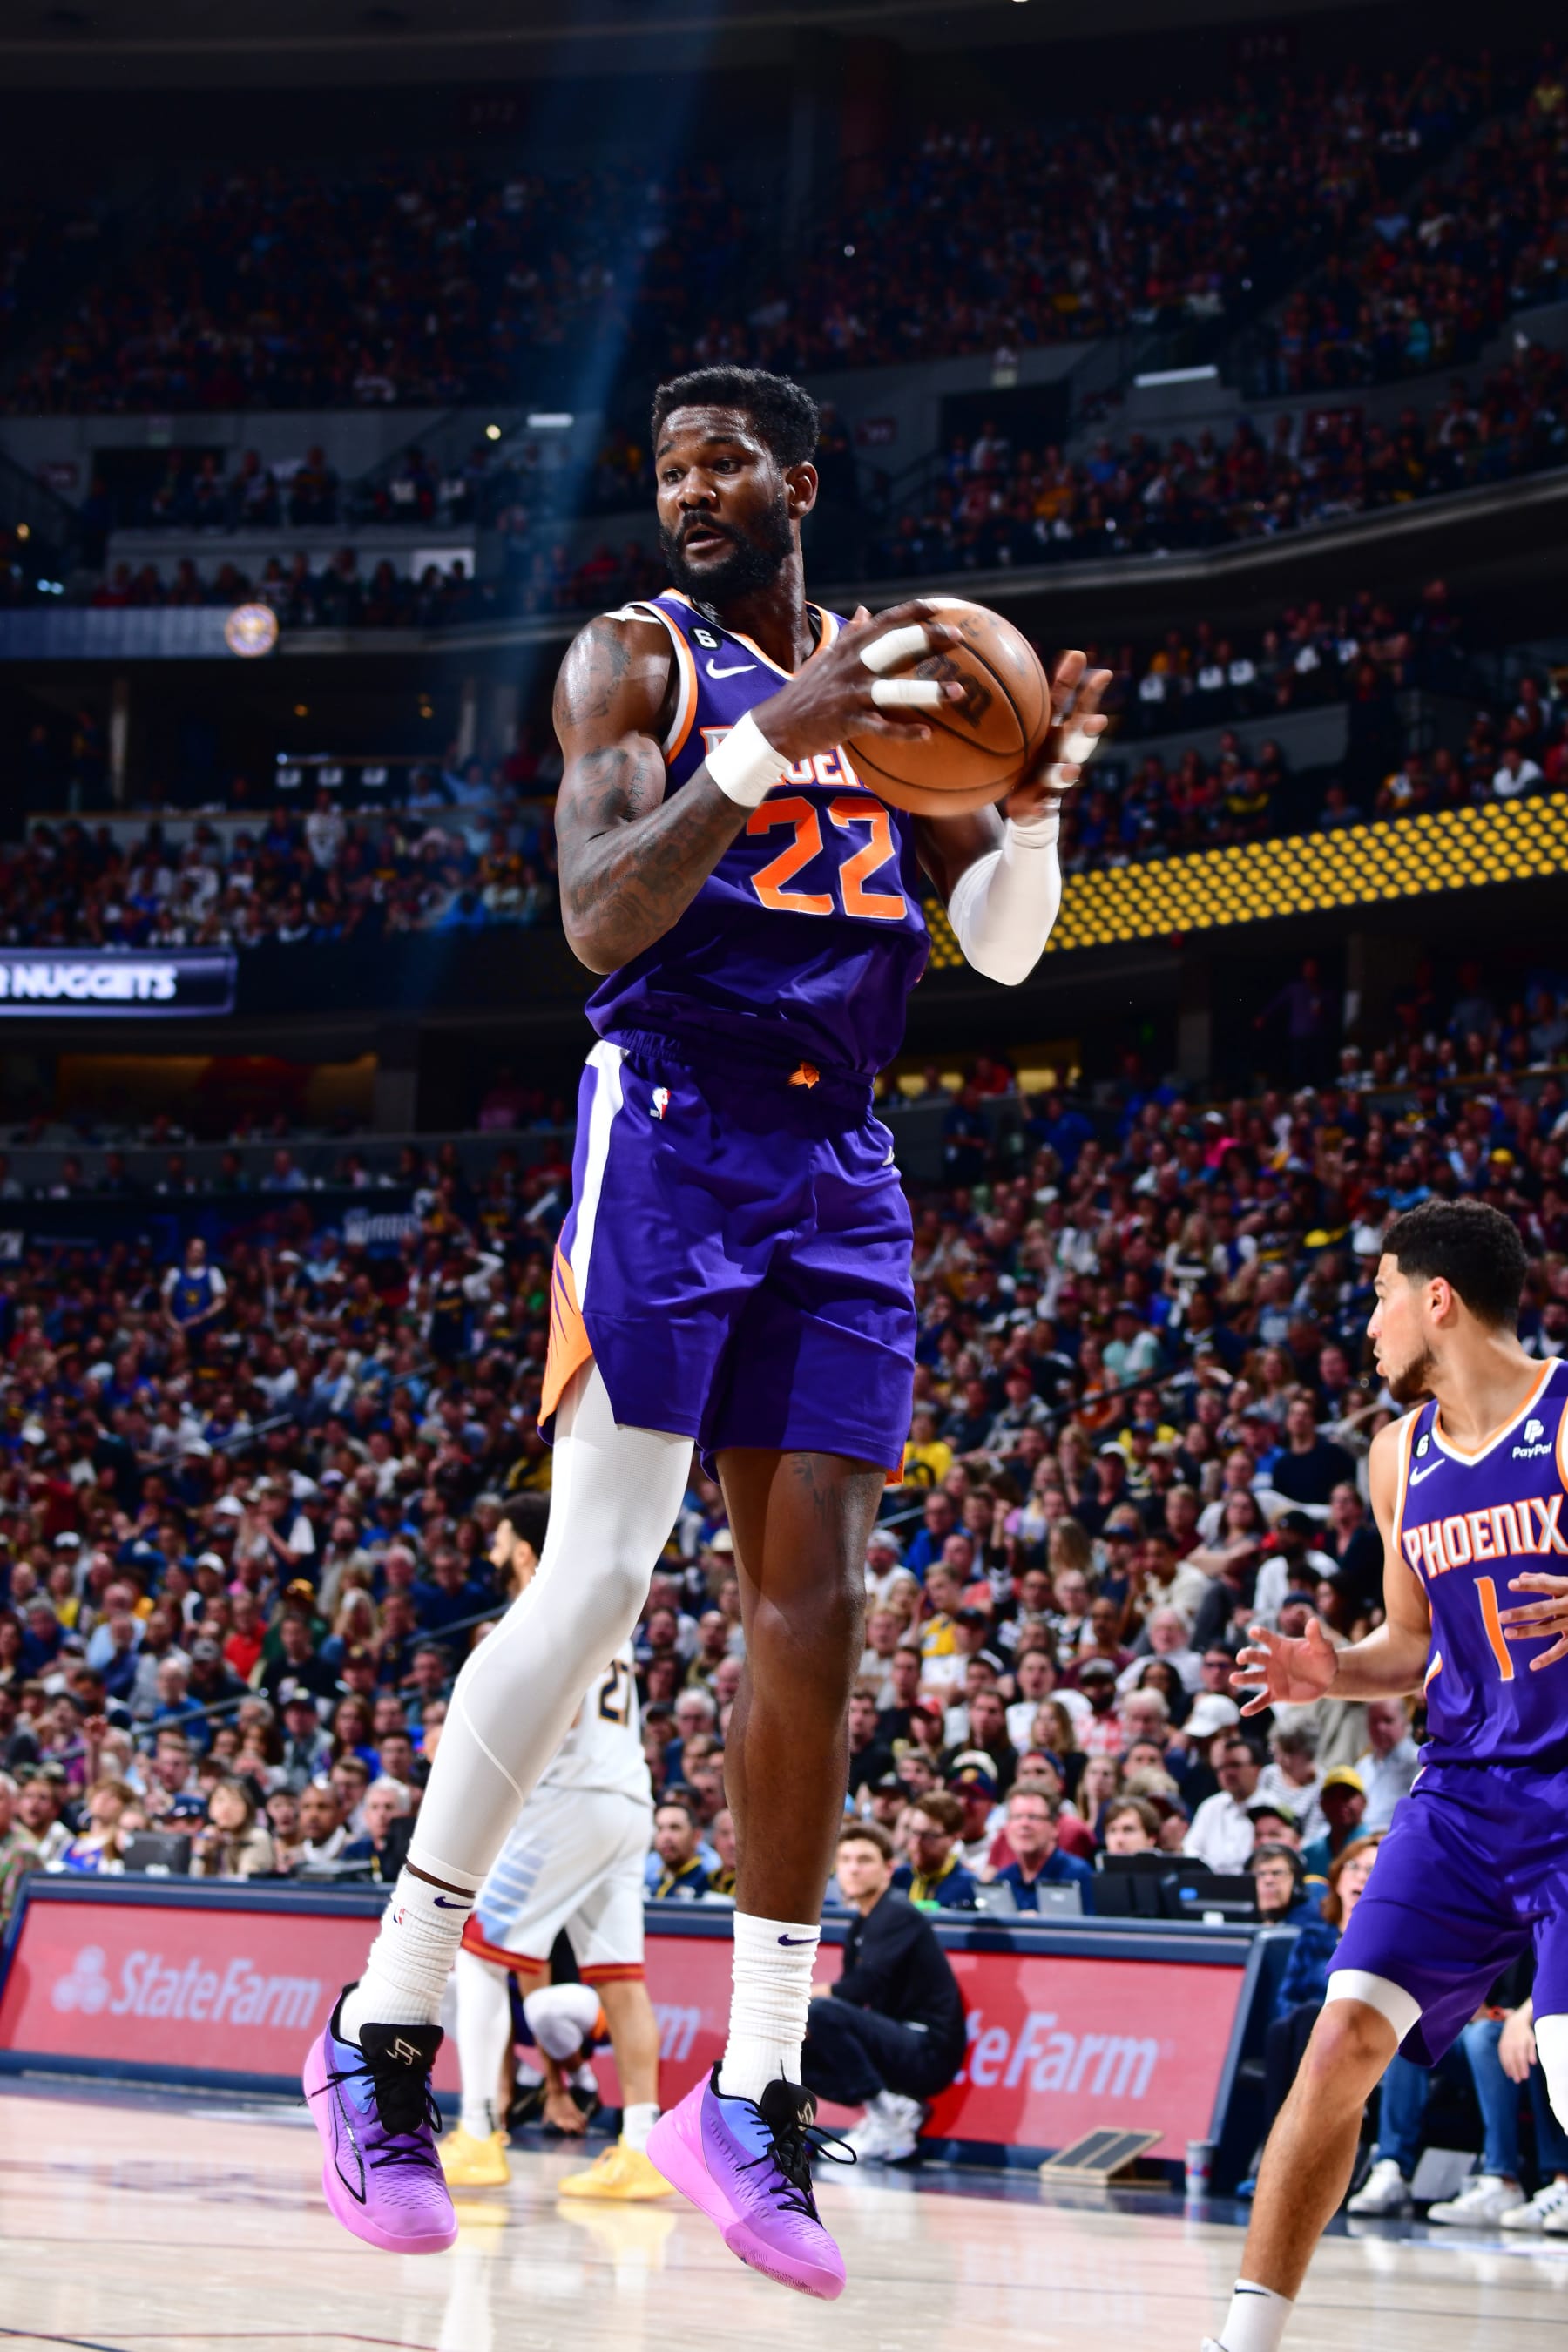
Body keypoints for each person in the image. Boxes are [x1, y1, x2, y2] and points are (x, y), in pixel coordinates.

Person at [303, 361, 1110, 2298]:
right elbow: (595, 919)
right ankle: (380, 2027)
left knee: (815, 1606)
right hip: (667, 1119)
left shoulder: (906, 690)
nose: (692, 490)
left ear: (801, 477)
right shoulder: (632, 667)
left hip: (840, 1158)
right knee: (594, 1584)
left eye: (726, 460)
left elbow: (998, 950)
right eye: (668, 466)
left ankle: (745, 2095)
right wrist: (772, 746)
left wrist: (1034, 803)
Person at [1200, 1199, 1568, 2352]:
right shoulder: (1396, 1456)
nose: (1368, 1322)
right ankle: (1243, 2341)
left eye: (1377, 1293)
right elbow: (1411, 1647)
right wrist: (1336, 1672)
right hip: (1463, 1797)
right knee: (1342, 2036)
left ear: (1438, 1299)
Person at [438, 1503, 667, 2204]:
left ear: (528, 1552)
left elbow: (556, 1708)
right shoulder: (600, 1602)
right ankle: (641, 2147)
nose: (493, 1554)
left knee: (476, 1957)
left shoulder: (545, 1602)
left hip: (570, 1799)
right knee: (621, 1979)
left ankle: (479, 2132)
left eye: (502, 1542)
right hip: (627, 1800)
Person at [802, 1821, 966, 2163]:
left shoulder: (896, 1913)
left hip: (927, 2048)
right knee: (795, 2051)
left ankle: (888, 2120)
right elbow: (855, 1997)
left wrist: (799, 1996)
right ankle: (888, 2111)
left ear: (888, 1869)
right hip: (896, 2039)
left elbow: (858, 1988)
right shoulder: (862, 1921)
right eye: (845, 1859)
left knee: (819, 2012)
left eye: (864, 1859)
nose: (853, 1868)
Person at [990, 1787, 1095, 1911]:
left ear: (1055, 1827)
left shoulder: (1078, 1874)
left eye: (1033, 1817)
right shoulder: (1002, 1880)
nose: (1024, 1824)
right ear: (1006, 1827)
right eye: (1017, 1817)